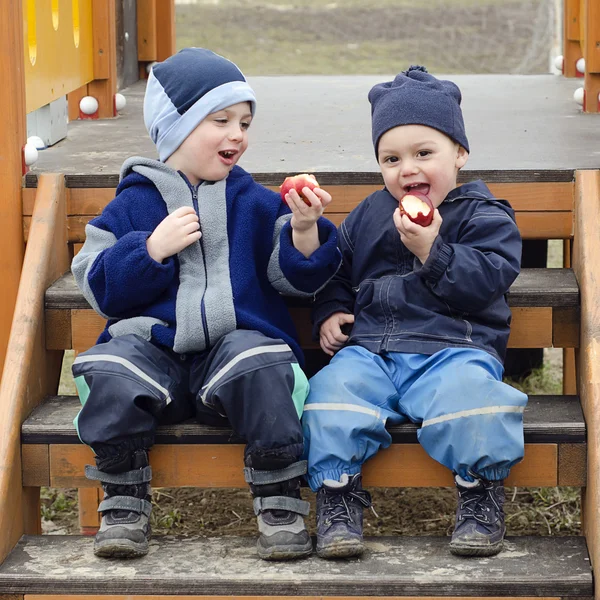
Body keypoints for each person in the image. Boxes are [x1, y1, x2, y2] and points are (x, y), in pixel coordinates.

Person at [71, 48, 341, 561]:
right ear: (176, 129)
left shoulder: (255, 202)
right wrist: (149, 250)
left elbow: (298, 280)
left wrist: (304, 229)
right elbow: (97, 284)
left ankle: (280, 497)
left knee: (263, 360)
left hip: (230, 357)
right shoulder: (130, 205)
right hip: (157, 354)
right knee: (109, 364)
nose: (238, 134)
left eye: (244, 121)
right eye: (220, 120)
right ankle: (124, 498)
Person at [302, 65, 528, 559]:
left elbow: (488, 280)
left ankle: (479, 492)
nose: (408, 169)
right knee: (327, 397)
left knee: (478, 403)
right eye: (391, 158)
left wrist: (434, 251)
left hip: (453, 348)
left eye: (425, 153)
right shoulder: (368, 214)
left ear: (460, 153)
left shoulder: (484, 215)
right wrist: (332, 310)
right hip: (372, 352)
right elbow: (336, 271)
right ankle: (338, 497)